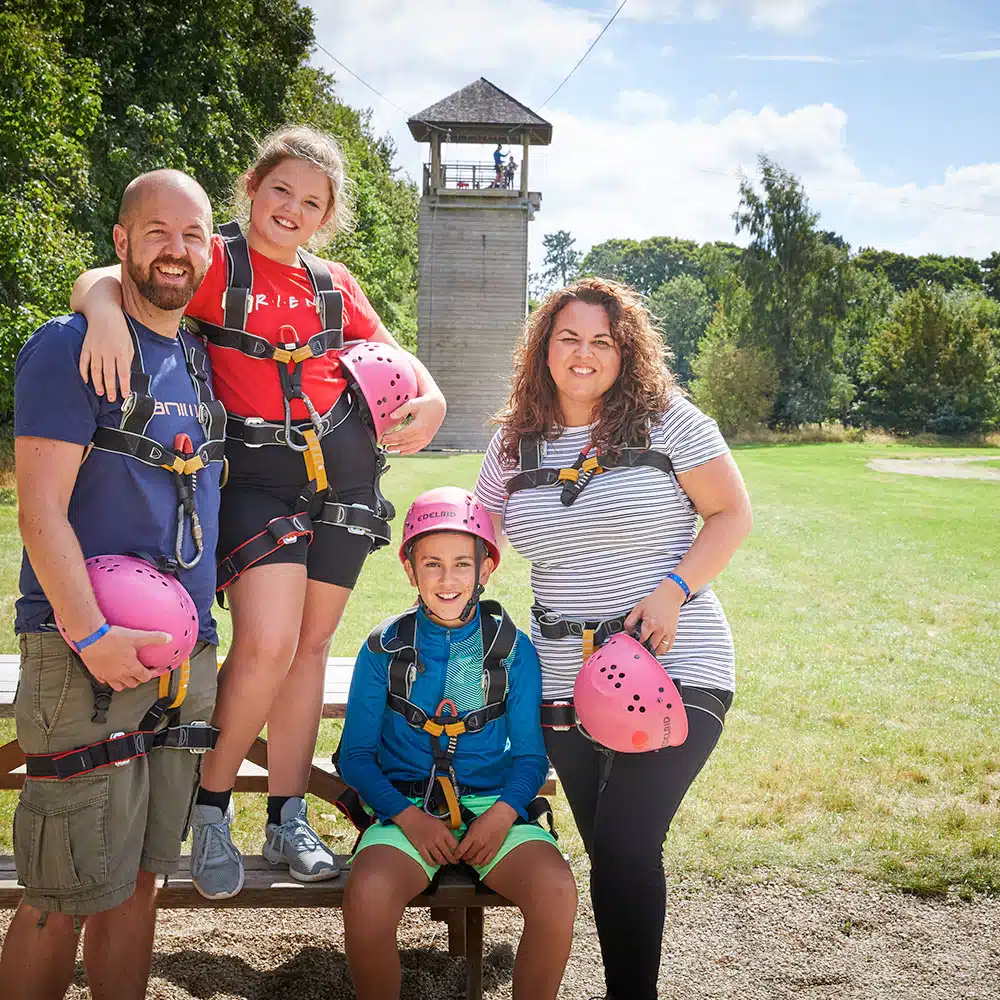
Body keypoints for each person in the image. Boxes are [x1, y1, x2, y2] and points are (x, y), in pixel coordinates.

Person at [69, 126, 447, 898]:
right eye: (281, 190)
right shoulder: (218, 263)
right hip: (255, 477)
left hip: (342, 480)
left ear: (327, 215)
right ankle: (210, 810)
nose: (293, 209)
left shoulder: (334, 282)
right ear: (252, 187)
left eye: (312, 202)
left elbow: (400, 359)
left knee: (310, 646)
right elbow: (106, 279)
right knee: (268, 641)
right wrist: (103, 316)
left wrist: (432, 395)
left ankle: (286, 815)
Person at [475, 277, 753, 1000]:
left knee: (628, 844)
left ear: (626, 353)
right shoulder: (513, 445)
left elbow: (730, 515)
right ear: (544, 348)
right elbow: (472, 535)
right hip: (564, 677)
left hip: (674, 662)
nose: (584, 352)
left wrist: (674, 590)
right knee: (612, 856)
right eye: (569, 337)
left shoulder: (670, 423)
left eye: (603, 340)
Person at [0, 170, 222, 1000]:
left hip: (181, 654)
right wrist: (91, 635)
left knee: (137, 880)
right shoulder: (71, 346)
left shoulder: (196, 356)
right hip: (82, 649)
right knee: (61, 892)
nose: (177, 249)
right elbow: (40, 512)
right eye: (157, 231)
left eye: (193, 234)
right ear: (121, 241)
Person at [338, 487, 577, 1000]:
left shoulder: (512, 650)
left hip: (493, 806)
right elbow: (355, 757)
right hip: (405, 808)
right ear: (410, 570)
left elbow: (532, 757)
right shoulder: (384, 648)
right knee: (368, 894)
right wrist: (407, 816)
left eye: (462, 564)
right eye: (432, 564)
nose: (448, 580)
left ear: (485, 569)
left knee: (556, 892)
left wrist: (503, 815)